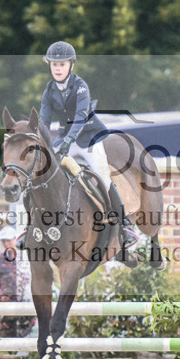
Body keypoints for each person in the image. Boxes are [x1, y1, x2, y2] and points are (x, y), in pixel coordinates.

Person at [39, 40, 140, 249]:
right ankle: (33, 226)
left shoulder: (80, 87)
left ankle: (124, 226)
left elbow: (81, 116)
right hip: (65, 138)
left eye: (62, 64)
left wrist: (67, 139)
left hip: (87, 139)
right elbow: (44, 122)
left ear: (71, 66)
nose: (58, 68)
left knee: (102, 174)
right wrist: (40, 142)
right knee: (41, 172)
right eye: (54, 64)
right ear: (49, 66)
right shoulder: (48, 91)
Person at [0, 227, 34, 338]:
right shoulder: (0, 261)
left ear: (15, 239)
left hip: (27, 304)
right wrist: (0, 296)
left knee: (28, 336)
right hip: (8, 307)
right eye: (4, 241)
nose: (6, 244)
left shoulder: (27, 258)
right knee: (10, 337)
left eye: (9, 240)